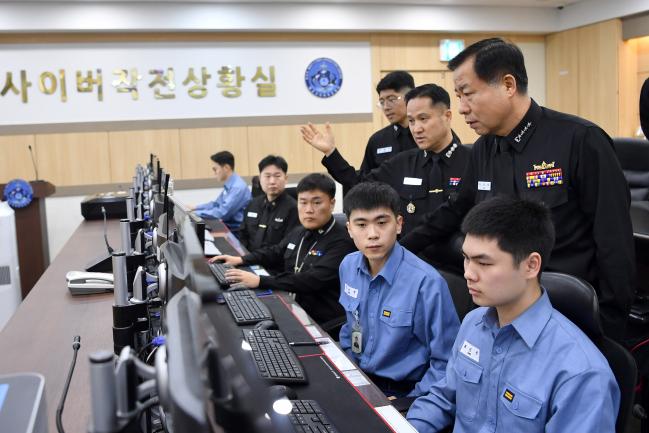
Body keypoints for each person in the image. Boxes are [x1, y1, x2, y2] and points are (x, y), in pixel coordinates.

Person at [400, 37, 635, 341]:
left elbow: (613, 240)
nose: (461, 108)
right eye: (458, 96)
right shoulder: (483, 149)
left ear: (508, 85)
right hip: (500, 310)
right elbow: (455, 209)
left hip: (565, 314)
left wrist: (609, 330)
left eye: (468, 94)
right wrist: (399, 251)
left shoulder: (580, 140)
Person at [407, 196, 620, 433]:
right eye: (466, 258)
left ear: (531, 265)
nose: (468, 273)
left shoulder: (581, 372)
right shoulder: (473, 323)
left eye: (484, 263)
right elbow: (443, 398)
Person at [338, 182, 459, 399]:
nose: (373, 234)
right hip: (358, 378)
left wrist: (411, 399)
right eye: (361, 225)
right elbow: (350, 327)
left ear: (399, 224)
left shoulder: (427, 283)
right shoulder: (348, 266)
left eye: (382, 222)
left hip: (404, 392)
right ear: (349, 229)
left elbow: (447, 362)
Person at [301, 84, 470, 236]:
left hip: (460, 262)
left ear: (447, 116)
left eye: (423, 119)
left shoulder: (472, 160)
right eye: (411, 121)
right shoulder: (404, 162)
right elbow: (360, 184)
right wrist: (331, 153)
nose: (416, 129)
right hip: (412, 257)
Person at [210, 173, 355, 326]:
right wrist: (241, 259)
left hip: (322, 321)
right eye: (303, 202)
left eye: (316, 203)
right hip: (293, 307)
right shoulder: (300, 231)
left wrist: (260, 281)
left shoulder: (342, 241)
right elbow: (275, 252)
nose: (308, 210)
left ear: (332, 204)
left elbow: (310, 280)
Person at [238, 155, 299, 256]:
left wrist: (249, 259)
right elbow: (242, 234)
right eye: (267, 176)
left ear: (286, 178)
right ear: (260, 178)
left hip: (274, 267)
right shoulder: (253, 204)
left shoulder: (293, 209)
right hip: (247, 260)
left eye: (277, 176)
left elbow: (284, 248)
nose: (272, 181)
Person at [360, 70, 417, 174]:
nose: (386, 107)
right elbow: (364, 180)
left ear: (410, 97)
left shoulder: (429, 134)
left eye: (392, 99)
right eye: (382, 102)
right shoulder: (377, 140)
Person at [191, 150, 251, 231]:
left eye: (215, 169)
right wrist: (195, 208)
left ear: (226, 168)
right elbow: (216, 204)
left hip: (237, 231)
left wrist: (195, 214)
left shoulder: (237, 187)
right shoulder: (231, 184)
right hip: (229, 226)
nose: (214, 173)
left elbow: (222, 213)